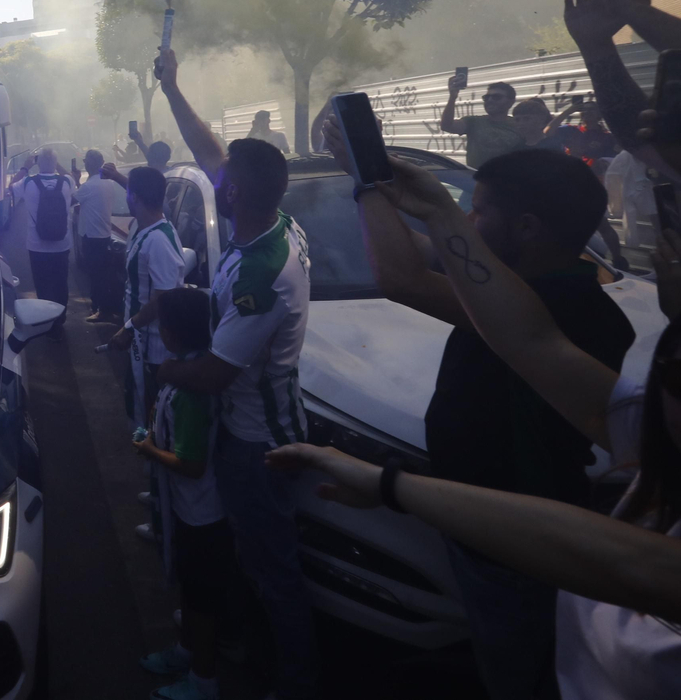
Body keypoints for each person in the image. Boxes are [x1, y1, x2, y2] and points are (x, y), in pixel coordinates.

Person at [269, 148, 681, 700]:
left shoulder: (563, 305)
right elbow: (438, 263)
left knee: (515, 667)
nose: (468, 221)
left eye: (478, 210)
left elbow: (407, 278)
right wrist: (433, 210)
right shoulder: (536, 294)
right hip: (492, 525)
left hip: (516, 538)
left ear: (529, 228)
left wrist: (369, 183)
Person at [155, 47, 317, 700]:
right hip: (253, 432)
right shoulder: (270, 222)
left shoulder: (259, 273)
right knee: (247, 563)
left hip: (257, 444)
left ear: (237, 193)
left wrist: (164, 370)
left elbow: (216, 375)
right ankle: (244, 649)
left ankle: (295, 682)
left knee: (272, 569)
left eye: (223, 178)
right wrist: (171, 88)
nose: (213, 178)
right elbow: (211, 146)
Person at [134, 287, 233, 700]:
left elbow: (192, 466)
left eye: (163, 324)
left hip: (202, 515)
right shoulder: (188, 368)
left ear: (173, 332)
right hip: (189, 510)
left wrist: (148, 450)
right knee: (191, 594)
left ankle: (204, 684)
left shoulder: (192, 390)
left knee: (201, 601)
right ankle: (184, 651)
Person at [106, 166, 185, 445]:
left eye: (129, 192)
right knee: (139, 404)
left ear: (135, 197)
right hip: (140, 341)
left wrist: (129, 327)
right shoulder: (145, 226)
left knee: (152, 413)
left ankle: (158, 479)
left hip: (153, 349)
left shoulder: (159, 240)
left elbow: (164, 296)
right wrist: (118, 177)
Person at [11, 148, 76, 324]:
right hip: (62, 245)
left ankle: (47, 322)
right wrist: (58, 164)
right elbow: (71, 176)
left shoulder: (27, 183)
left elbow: (10, 187)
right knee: (61, 284)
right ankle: (60, 321)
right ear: (55, 164)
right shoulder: (67, 182)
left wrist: (25, 167)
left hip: (37, 246)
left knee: (43, 285)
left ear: (38, 164)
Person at [73, 150, 124, 324]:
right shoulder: (108, 182)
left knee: (96, 275)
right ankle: (102, 308)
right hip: (103, 234)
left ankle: (102, 310)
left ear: (88, 164)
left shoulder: (89, 186)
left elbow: (73, 198)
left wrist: (74, 179)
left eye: (86, 161)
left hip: (91, 236)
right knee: (102, 274)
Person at [441, 77, 524, 168]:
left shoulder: (520, 125)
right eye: (486, 97)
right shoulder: (473, 122)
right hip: (477, 179)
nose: (490, 100)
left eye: (496, 97)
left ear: (511, 102)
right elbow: (447, 126)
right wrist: (452, 97)